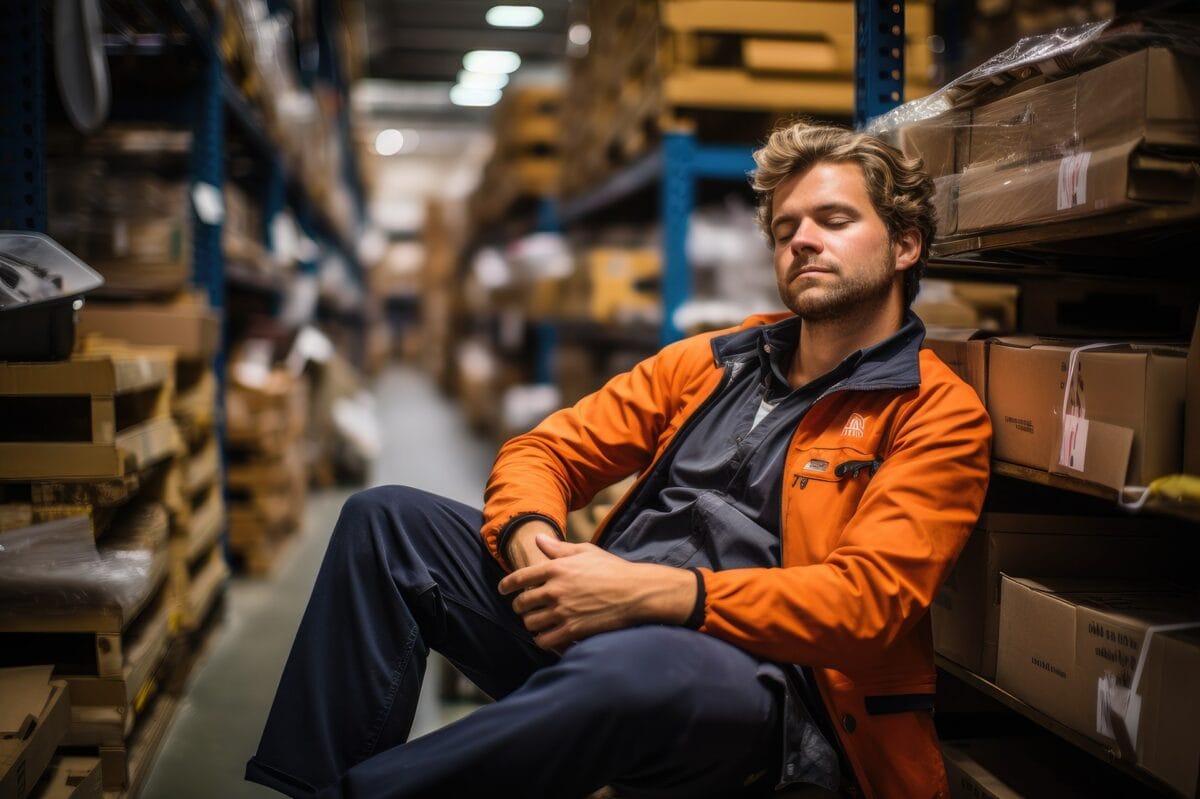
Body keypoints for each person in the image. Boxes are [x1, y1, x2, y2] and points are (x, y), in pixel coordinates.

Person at [246, 121, 991, 799]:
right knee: (385, 521)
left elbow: (865, 604)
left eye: (834, 220)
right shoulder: (713, 361)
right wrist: (529, 537)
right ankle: (307, 787)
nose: (802, 241)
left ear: (905, 244)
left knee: (634, 673)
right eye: (786, 226)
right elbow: (546, 450)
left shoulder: (934, 412)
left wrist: (654, 594)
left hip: (763, 687)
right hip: (608, 623)